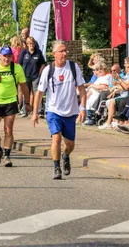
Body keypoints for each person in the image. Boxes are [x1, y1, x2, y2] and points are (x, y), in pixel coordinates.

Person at [31, 41, 86, 179]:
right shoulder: (48, 70)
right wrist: (35, 113)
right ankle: (56, 168)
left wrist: (83, 108)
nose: (65, 53)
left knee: (70, 144)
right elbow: (39, 92)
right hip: (53, 110)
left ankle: (65, 156)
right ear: (54, 54)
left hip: (70, 111)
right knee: (56, 138)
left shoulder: (73, 67)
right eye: (61, 51)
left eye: (65, 50)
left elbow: (82, 89)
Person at [0, 46, 30, 167]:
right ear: (0, 56)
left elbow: (24, 86)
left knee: (8, 129)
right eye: (4, 56)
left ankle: (7, 155)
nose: (7, 59)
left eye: (9, 56)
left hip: (10, 101)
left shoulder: (16, 68)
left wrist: (28, 102)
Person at [99, 58, 129, 129]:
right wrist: (118, 81)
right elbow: (125, 85)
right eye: (128, 67)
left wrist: (119, 80)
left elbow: (127, 88)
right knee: (115, 101)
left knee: (122, 101)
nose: (128, 68)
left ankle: (124, 122)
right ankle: (115, 122)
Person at [18, 36, 45, 116]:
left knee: (37, 93)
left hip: (35, 77)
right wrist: (21, 74)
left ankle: (39, 111)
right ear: (27, 44)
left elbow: (43, 63)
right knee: (26, 94)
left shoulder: (38, 52)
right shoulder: (24, 52)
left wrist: (40, 74)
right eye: (29, 43)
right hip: (25, 76)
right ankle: (25, 111)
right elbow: (19, 64)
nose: (31, 45)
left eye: (32, 43)